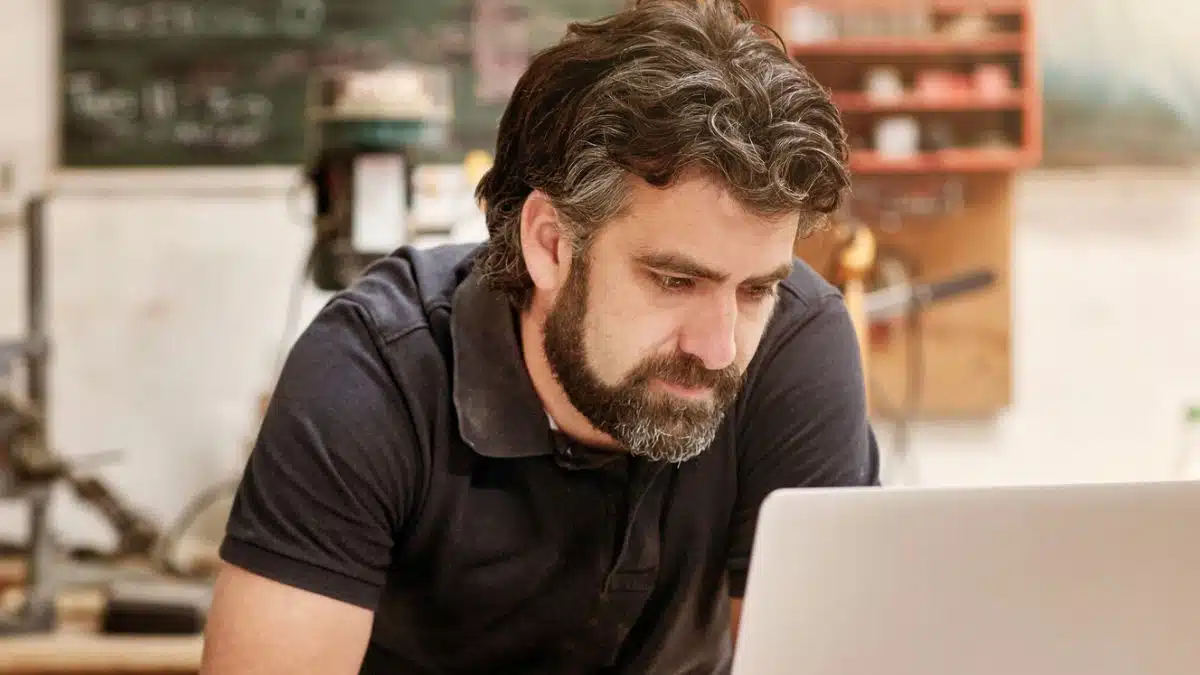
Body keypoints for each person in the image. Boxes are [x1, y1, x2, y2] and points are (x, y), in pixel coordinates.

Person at [200, 1, 878, 673]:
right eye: (675, 281)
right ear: (550, 243)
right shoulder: (374, 375)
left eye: (757, 289)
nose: (720, 346)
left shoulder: (796, 346)